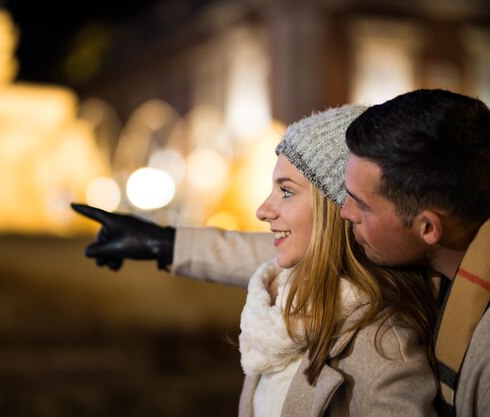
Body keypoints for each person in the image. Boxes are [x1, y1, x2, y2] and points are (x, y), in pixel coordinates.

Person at [73, 89, 490, 417]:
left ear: (427, 227)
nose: (348, 213)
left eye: (358, 203)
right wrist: (162, 242)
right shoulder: (298, 293)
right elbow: (270, 252)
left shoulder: (387, 339)